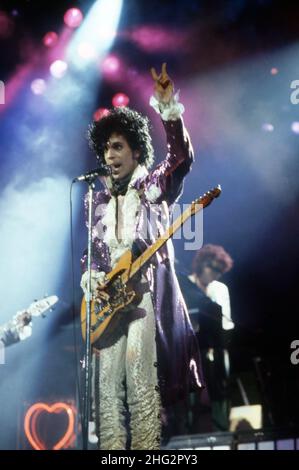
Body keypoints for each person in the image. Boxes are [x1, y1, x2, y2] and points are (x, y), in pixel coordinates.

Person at [80, 63, 202, 450]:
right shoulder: (94, 200)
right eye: (105, 147)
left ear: (135, 150)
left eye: (117, 146)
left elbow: (181, 158)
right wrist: (92, 278)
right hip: (108, 305)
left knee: (139, 383)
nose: (109, 154)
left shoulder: (152, 188)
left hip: (143, 295)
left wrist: (168, 107)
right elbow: (94, 257)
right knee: (106, 396)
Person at [189, 244, 234, 431]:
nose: (216, 275)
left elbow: (227, 323)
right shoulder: (183, 285)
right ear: (202, 264)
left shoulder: (219, 289)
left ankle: (222, 431)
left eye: (219, 271)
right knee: (190, 395)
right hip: (188, 353)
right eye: (214, 269)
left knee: (219, 392)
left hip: (214, 351)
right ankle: (189, 432)